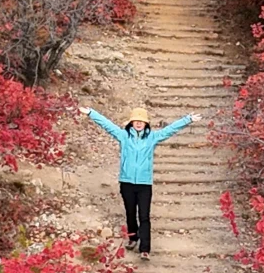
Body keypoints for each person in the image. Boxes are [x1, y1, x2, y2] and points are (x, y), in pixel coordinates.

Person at [79, 105, 202, 261]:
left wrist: (188, 119)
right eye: (136, 121)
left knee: (144, 216)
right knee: (130, 213)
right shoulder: (123, 136)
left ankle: (145, 249)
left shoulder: (152, 137)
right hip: (126, 182)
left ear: (146, 123)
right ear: (131, 122)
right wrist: (91, 113)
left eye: (141, 121)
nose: (138, 123)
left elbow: (170, 130)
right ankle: (133, 237)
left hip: (144, 184)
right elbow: (107, 124)